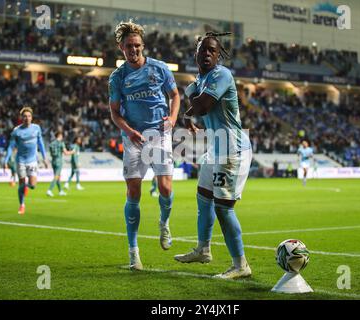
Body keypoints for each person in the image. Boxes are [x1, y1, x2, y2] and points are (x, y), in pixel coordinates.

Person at [174, 32, 252, 279]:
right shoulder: (201, 78)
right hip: (215, 149)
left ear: (219, 55)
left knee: (223, 208)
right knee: (203, 196)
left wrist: (188, 111)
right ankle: (203, 249)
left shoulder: (221, 74)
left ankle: (240, 265)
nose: (207, 54)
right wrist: (191, 104)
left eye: (212, 51)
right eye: (203, 50)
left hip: (232, 151)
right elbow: (193, 98)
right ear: (196, 54)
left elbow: (202, 105)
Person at [108, 21, 180, 271]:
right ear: (121, 47)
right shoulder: (117, 77)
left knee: (165, 187)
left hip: (159, 134)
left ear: (143, 46)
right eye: (129, 46)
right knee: (134, 193)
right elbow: (115, 113)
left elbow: (175, 96)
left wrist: (172, 119)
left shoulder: (159, 68)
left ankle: (164, 222)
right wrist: (128, 131)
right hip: (133, 138)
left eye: (137, 45)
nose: (134, 50)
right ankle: (133, 252)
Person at [4, 107, 48, 215]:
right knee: (21, 184)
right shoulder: (16, 131)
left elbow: (40, 143)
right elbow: (10, 147)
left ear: (32, 117)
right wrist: (6, 161)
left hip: (32, 160)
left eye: (29, 116)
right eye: (25, 116)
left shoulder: (36, 128)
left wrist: (44, 157)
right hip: (21, 161)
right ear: (21, 118)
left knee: (33, 185)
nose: (27, 118)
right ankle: (22, 205)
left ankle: (26, 187)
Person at [47, 132, 73, 197]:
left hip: (53, 161)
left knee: (57, 177)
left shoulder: (52, 143)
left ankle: (60, 191)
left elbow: (50, 152)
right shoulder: (61, 143)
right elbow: (66, 153)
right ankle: (49, 190)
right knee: (56, 176)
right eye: (61, 135)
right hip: (59, 161)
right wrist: (73, 152)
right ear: (59, 135)